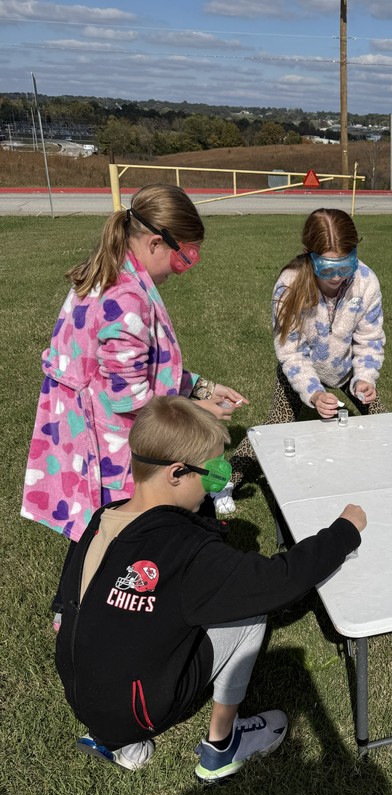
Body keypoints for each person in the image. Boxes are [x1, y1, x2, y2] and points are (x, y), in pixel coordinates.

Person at [55, 396, 366, 782]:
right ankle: (223, 746)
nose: (219, 483)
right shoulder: (187, 551)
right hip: (141, 709)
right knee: (250, 611)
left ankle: (123, 744)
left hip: (85, 700)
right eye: (215, 472)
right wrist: (344, 532)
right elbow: (276, 582)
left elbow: (64, 610)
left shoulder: (102, 520)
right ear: (177, 473)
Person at [20, 183, 247, 620]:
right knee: (111, 525)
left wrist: (199, 388)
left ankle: (76, 606)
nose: (183, 270)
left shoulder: (115, 273)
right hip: (104, 442)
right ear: (156, 242)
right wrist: (199, 414)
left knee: (98, 527)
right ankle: (79, 610)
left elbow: (143, 368)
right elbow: (127, 396)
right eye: (185, 258)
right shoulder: (126, 297)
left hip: (92, 429)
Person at [222, 208, 386, 513]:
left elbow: (370, 338)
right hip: (301, 369)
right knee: (273, 429)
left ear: (355, 254)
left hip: (349, 368)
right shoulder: (290, 285)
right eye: (327, 269)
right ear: (311, 257)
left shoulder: (366, 281)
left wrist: (365, 377)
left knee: (382, 421)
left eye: (345, 266)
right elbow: (291, 351)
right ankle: (227, 481)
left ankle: (386, 476)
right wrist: (312, 392)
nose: (337, 277)